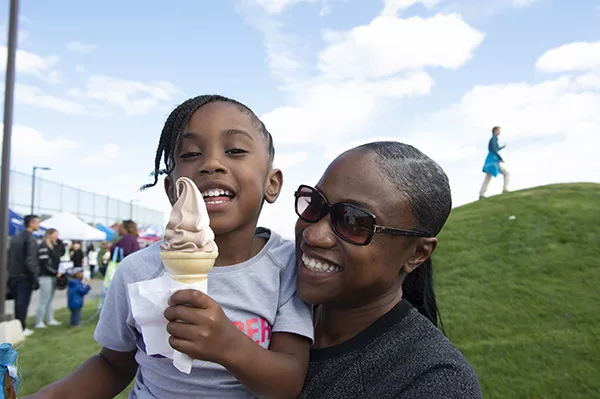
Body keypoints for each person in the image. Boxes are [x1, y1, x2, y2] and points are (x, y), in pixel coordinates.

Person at [29, 95, 313, 399]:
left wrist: (228, 344)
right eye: (190, 154)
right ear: (171, 188)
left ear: (272, 183)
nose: (211, 164)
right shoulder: (137, 272)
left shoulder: (289, 266)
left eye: (235, 150)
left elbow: (289, 383)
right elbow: (112, 365)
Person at [295, 141, 482, 399]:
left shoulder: (433, 380)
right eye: (315, 204)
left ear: (417, 253)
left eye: (353, 221)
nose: (313, 234)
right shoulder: (269, 301)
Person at [7, 214, 41, 337]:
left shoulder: (16, 237)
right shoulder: (30, 239)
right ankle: (21, 327)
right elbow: (30, 260)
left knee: (18, 303)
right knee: (23, 303)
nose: (39, 225)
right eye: (37, 222)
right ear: (30, 223)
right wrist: (35, 278)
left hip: (14, 275)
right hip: (25, 276)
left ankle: (18, 326)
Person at [35, 228, 64, 328]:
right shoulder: (43, 246)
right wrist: (55, 272)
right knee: (43, 299)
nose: (57, 237)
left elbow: (61, 253)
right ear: (49, 235)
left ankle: (49, 319)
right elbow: (44, 263)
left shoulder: (53, 246)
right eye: (55, 234)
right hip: (45, 276)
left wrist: (59, 242)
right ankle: (38, 321)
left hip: (52, 276)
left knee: (50, 299)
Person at [480, 125, 510, 199]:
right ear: (496, 131)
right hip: (493, 162)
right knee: (506, 173)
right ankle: (505, 189)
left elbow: (495, 149)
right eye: (499, 130)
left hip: (490, 162)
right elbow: (494, 150)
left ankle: (481, 194)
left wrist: (502, 147)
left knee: (488, 177)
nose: (500, 132)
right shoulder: (493, 139)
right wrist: (500, 158)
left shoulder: (494, 139)